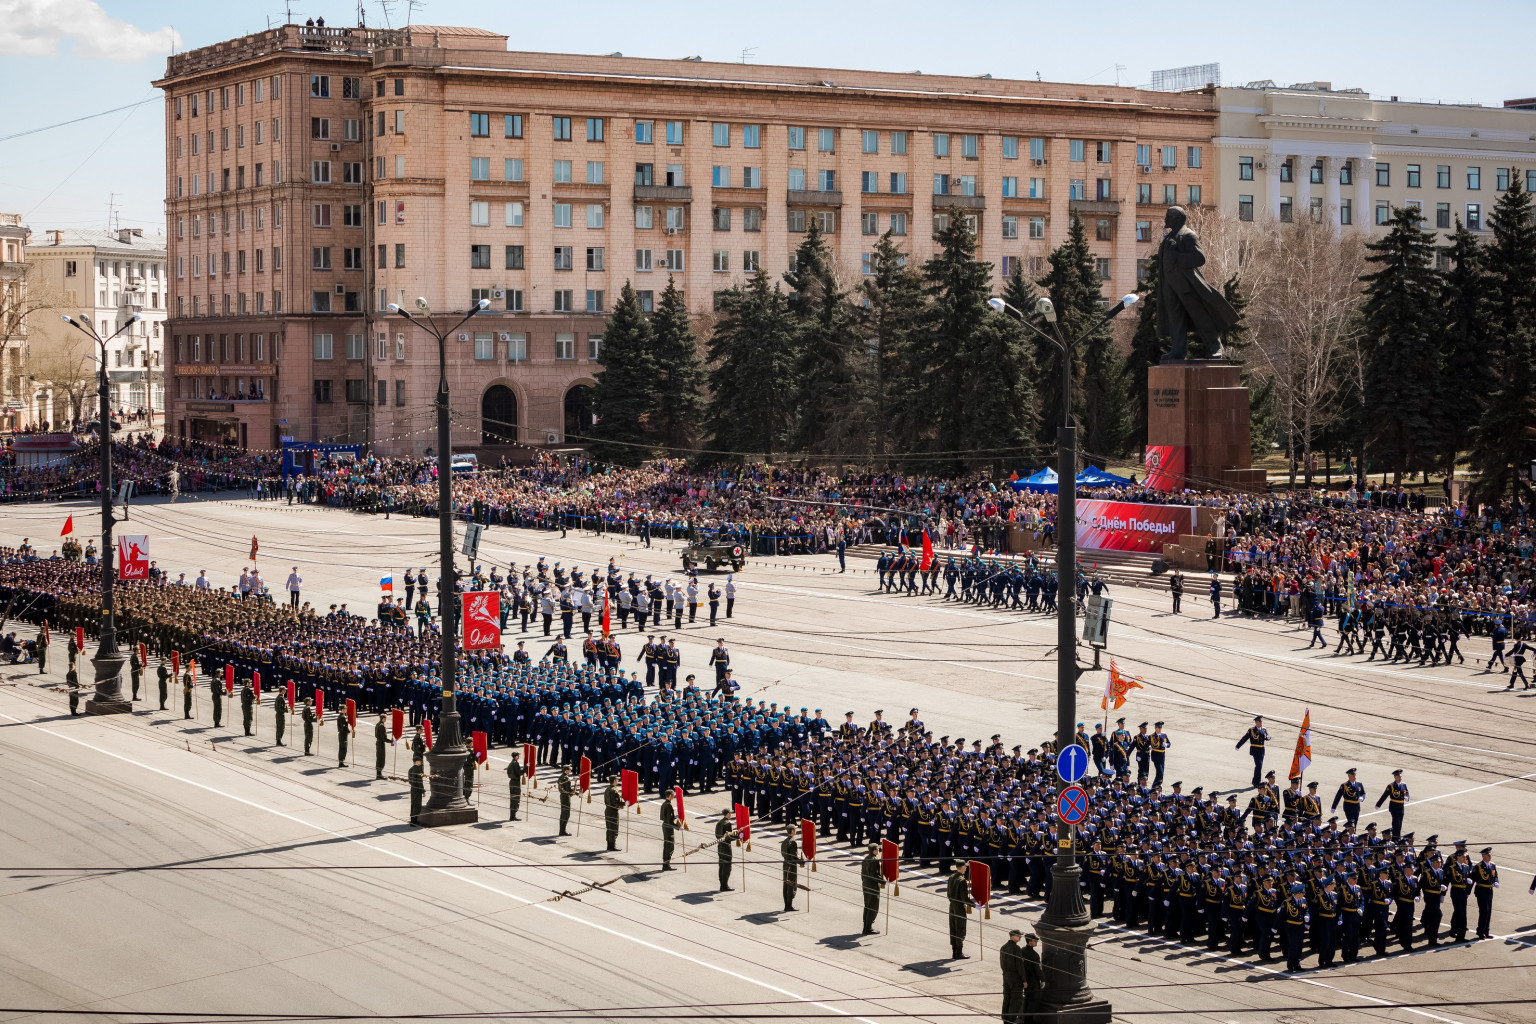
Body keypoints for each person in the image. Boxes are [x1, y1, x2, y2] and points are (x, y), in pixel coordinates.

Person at [1000, 929, 1026, 1023]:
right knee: (1015, 1001)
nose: (1020, 938)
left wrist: (1006, 974)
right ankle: (1011, 1021)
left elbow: (1002, 964)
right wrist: (1024, 980)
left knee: (1006, 999)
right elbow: (1020, 966)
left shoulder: (1003, 947)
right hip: (1015, 978)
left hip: (1006, 976)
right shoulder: (1016, 949)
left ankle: (1005, 1020)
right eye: (1018, 936)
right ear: (1013, 936)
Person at [947, 862, 972, 959]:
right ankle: (959, 953)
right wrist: (974, 905)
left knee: (953, 927)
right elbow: (964, 898)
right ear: (962, 868)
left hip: (952, 905)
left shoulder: (951, 877)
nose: (966, 868)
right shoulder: (961, 880)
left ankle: (954, 952)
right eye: (965, 866)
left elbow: (948, 893)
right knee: (960, 928)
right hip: (959, 907)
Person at [1473, 847, 1499, 940]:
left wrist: (1496, 881)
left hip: (1489, 891)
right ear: (1483, 856)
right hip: (1481, 890)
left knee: (1489, 912)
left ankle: (1486, 931)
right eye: (1488, 855)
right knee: (1484, 911)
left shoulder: (1492, 865)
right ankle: (1480, 931)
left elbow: (1495, 875)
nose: (1490, 856)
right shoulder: (1478, 866)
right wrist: (1467, 892)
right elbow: (1472, 878)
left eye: (1490, 854)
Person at [1235, 715, 1267, 788]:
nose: (1261, 723)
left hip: (1262, 750)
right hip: (1255, 750)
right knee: (1258, 765)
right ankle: (1257, 782)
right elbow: (1245, 738)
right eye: (1259, 721)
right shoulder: (1251, 730)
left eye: (1261, 721)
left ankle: (1255, 781)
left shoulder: (1264, 729)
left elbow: (1267, 737)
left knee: (1260, 766)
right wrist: (1238, 746)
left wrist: (1267, 736)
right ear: (1256, 722)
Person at [860, 843, 883, 935]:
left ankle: (866, 927)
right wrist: (884, 882)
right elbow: (874, 875)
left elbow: (862, 873)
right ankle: (868, 928)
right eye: (877, 849)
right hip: (872, 886)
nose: (878, 851)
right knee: (873, 907)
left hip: (865, 884)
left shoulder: (866, 858)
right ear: (874, 851)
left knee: (867, 906)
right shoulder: (875, 860)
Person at [1021, 933, 1044, 1019]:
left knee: (1027, 999)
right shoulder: (1034, 955)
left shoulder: (1021, 951)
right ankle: (1029, 1021)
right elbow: (1038, 969)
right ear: (1029, 942)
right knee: (1033, 1001)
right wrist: (1042, 979)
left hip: (1025, 980)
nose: (1037, 942)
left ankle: (1025, 1019)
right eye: (1035, 940)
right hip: (1033, 981)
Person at [715, 811, 736, 891]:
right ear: (727, 814)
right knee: (727, 866)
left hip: (720, 845)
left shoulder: (719, 823)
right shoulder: (727, 824)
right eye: (730, 813)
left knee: (721, 865)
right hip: (726, 846)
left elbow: (717, 835)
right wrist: (738, 837)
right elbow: (728, 837)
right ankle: (724, 885)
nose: (731, 815)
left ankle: (722, 884)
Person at [781, 831, 801, 912]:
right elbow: (794, 857)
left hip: (785, 864)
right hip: (791, 866)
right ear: (793, 831)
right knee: (791, 885)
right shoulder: (792, 842)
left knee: (786, 884)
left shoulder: (785, 841)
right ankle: (789, 906)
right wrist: (802, 862)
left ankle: (786, 905)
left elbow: (783, 853)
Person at [659, 788, 677, 870]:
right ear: (670, 796)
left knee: (666, 845)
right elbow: (669, 820)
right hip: (668, 827)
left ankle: (665, 864)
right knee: (669, 846)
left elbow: (667, 817)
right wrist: (678, 827)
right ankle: (666, 865)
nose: (674, 796)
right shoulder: (668, 805)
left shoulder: (664, 803)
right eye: (673, 795)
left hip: (665, 825)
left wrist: (675, 817)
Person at [604, 777, 623, 851]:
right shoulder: (614, 790)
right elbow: (616, 802)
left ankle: (609, 845)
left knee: (609, 828)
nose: (618, 781)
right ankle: (612, 846)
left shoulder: (607, 789)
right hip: (613, 811)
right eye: (617, 780)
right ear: (614, 781)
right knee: (613, 829)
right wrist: (625, 803)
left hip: (608, 810)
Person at [557, 765, 575, 836]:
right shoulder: (565, 778)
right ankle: (562, 831)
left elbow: (567, 789)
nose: (570, 771)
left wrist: (574, 792)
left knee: (563, 814)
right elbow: (566, 789)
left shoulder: (562, 777)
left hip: (563, 796)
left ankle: (562, 830)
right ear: (566, 770)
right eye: (569, 770)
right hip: (565, 797)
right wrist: (572, 792)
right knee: (566, 814)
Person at [506, 750, 522, 821]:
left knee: (512, 799)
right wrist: (526, 768)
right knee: (516, 799)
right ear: (516, 756)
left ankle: (512, 816)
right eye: (518, 755)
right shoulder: (515, 763)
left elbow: (508, 772)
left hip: (512, 782)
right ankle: (513, 816)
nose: (519, 756)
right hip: (515, 783)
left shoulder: (511, 763)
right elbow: (519, 773)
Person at [408, 757, 425, 824]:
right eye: (420, 761)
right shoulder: (418, 770)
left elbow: (410, 781)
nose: (420, 762)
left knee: (413, 804)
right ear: (417, 762)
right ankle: (414, 822)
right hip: (417, 789)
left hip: (412, 788)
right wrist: (423, 791)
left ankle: (412, 820)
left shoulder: (410, 769)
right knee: (417, 805)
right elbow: (419, 782)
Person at [374, 713, 390, 780]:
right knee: (381, 759)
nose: (386, 719)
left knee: (379, 758)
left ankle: (379, 774)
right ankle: (379, 774)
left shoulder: (378, 724)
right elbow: (384, 738)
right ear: (383, 718)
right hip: (381, 743)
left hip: (378, 742)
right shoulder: (381, 726)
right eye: (385, 718)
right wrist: (392, 741)